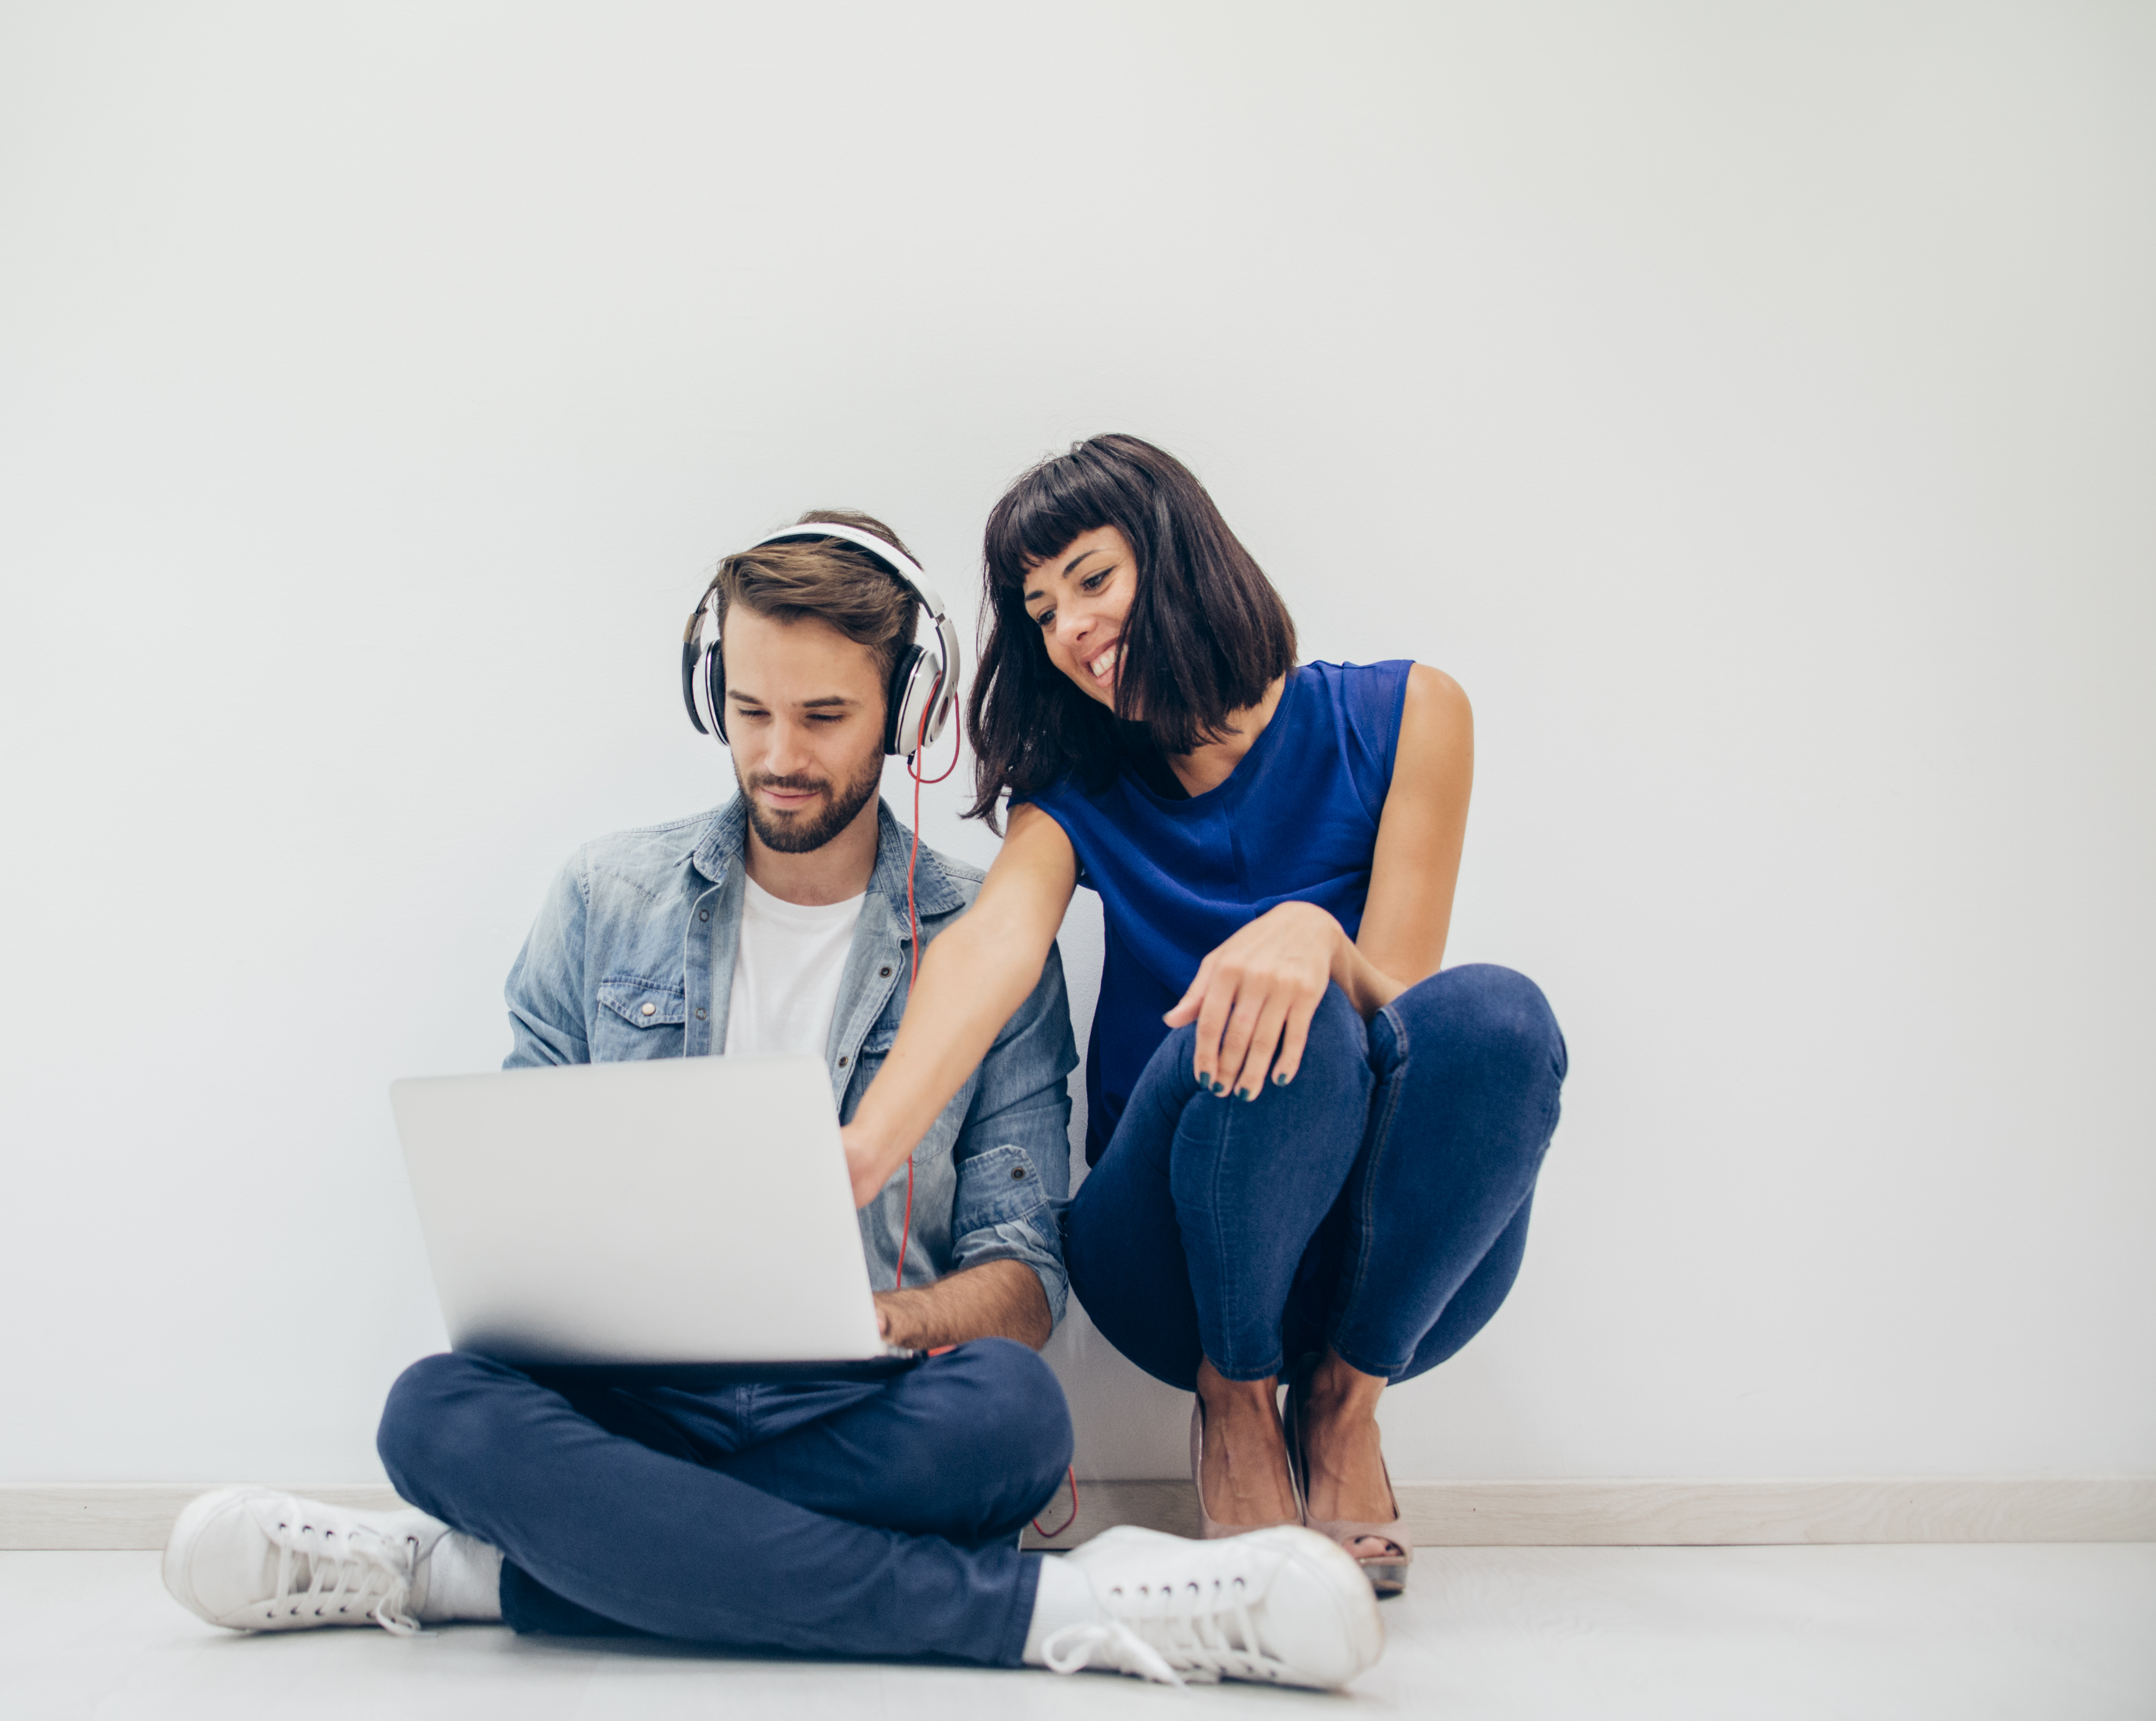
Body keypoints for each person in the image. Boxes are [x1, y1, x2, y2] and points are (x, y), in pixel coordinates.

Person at [158, 510, 1385, 1689]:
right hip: (638, 1404)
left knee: (1012, 1422)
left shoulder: (983, 945)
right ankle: (1040, 1612)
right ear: (712, 696)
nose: (780, 757)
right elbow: (513, 1209)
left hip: (869, 1400)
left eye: (823, 716)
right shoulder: (604, 899)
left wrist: (887, 1320)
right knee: (433, 1414)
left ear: (903, 713)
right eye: (748, 712)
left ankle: (471, 1573)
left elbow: (1021, 1283)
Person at [837, 439, 1567, 1597]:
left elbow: (1410, 1018)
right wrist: (863, 1154)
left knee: (1498, 1016)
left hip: (1378, 1256)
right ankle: (1233, 1402)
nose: (1068, 629)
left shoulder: (1409, 713)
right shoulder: (1076, 797)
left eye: (1089, 579)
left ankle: (1341, 1403)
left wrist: (1318, 941)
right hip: (1167, 1253)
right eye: (1038, 612)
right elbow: (992, 943)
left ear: (1174, 556)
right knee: (1278, 1023)